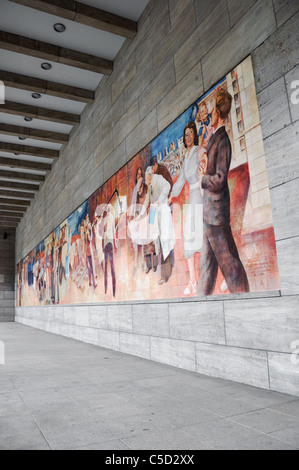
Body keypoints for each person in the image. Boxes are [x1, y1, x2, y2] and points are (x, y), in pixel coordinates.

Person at [198, 88, 250, 296]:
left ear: (217, 113)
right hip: (209, 213)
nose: (209, 115)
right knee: (207, 266)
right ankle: (200, 301)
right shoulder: (215, 138)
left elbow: (220, 179)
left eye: (211, 111)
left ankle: (244, 295)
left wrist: (202, 179)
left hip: (216, 216)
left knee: (229, 263)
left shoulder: (224, 141)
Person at [170, 121, 210, 295]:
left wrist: (202, 177)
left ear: (194, 135)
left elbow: (205, 162)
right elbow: (179, 182)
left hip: (199, 197)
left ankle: (203, 279)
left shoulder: (198, 151)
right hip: (191, 200)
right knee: (188, 239)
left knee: (201, 238)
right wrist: (169, 197)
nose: (187, 138)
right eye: (185, 135)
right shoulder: (185, 157)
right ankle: (192, 281)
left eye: (190, 134)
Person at [138, 167, 175, 285]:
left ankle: (165, 276)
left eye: (147, 179)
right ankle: (166, 270)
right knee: (160, 244)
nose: (146, 182)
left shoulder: (158, 179)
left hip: (163, 213)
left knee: (165, 243)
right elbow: (147, 200)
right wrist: (140, 213)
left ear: (150, 176)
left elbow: (167, 187)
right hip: (156, 215)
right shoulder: (150, 186)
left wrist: (159, 200)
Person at [103, 204, 117, 297]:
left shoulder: (106, 219)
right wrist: (115, 243)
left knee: (107, 268)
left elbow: (105, 233)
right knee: (111, 268)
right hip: (110, 243)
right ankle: (112, 290)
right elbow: (112, 231)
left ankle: (107, 289)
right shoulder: (110, 218)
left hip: (107, 244)